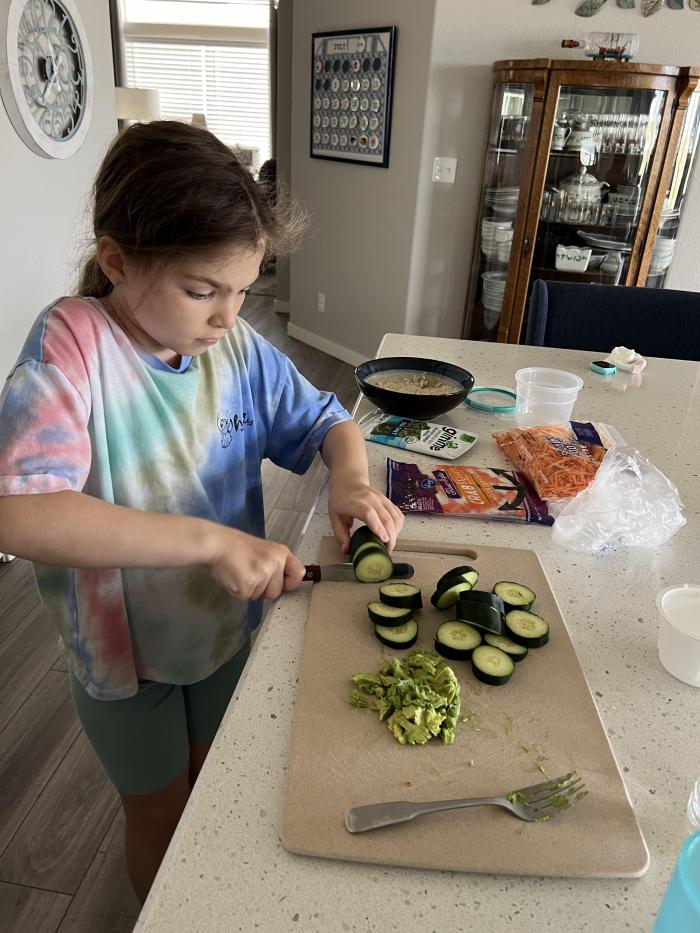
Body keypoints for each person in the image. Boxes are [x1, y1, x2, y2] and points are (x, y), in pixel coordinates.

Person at [0, 121, 403, 903]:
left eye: (244, 290)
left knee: (209, 788)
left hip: (222, 630)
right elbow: (20, 513)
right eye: (202, 290)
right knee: (157, 816)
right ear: (118, 262)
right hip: (124, 661)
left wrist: (350, 484)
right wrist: (207, 539)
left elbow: (331, 423)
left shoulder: (236, 348)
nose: (227, 316)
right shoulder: (72, 344)